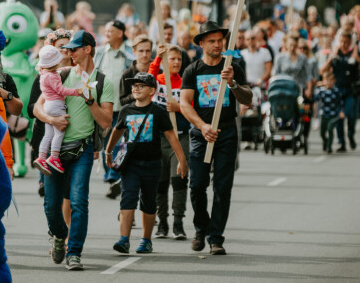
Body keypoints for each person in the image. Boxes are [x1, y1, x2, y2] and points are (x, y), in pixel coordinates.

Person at [34, 29, 113, 271]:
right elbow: (37, 109)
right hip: (54, 153)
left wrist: (90, 100)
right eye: (67, 49)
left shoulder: (103, 81)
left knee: (79, 202)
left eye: (74, 49)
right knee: (51, 205)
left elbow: (106, 122)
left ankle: (74, 252)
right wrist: (52, 120)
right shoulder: (61, 74)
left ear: (87, 49)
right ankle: (59, 236)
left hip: (82, 150)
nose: (69, 53)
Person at [179, 21, 252, 255]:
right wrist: (202, 126)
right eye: (212, 41)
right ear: (201, 44)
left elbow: (247, 99)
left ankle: (215, 237)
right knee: (198, 184)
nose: (218, 44)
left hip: (227, 132)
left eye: (220, 40)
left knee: (222, 187)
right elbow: (184, 104)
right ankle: (201, 227)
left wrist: (232, 83)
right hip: (201, 135)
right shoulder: (193, 70)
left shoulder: (233, 67)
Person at [105, 72, 187, 254]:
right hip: (131, 164)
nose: (136, 88)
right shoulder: (126, 110)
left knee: (149, 202)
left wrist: (182, 159)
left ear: (152, 90)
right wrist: (108, 151)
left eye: (141, 85)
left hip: (152, 164)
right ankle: (124, 239)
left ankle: (146, 240)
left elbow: (171, 136)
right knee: (128, 198)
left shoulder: (158, 112)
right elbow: (116, 131)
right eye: (134, 85)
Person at [148, 44, 190, 240]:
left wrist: (179, 107)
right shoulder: (157, 82)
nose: (175, 62)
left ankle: (178, 222)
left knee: (179, 179)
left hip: (180, 136)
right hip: (159, 138)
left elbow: (192, 107)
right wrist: (157, 58)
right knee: (160, 183)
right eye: (172, 58)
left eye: (179, 59)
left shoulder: (184, 83)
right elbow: (149, 77)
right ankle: (162, 222)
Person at [28, 28, 72, 198]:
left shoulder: (79, 74)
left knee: (69, 194)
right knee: (51, 195)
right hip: (47, 135)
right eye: (61, 46)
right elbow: (31, 109)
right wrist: (51, 119)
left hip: (72, 138)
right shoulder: (44, 76)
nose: (66, 50)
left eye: (70, 46)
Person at [94, 20, 135, 195]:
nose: (107, 33)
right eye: (107, 30)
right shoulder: (100, 53)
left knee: (119, 142)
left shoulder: (129, 53)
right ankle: (110, 171)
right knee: (105, 141)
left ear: (121, 33)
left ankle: (114, 173)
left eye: (112, 30)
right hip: (104, 105)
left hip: (123, 105)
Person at [33, 45, 83, 175]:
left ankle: (41, 157)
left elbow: (59, 70)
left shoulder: (44, 73)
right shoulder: (53, 76)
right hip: (56, 105)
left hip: (48, 105)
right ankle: (54, 157)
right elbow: (61, 90)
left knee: (48, 134)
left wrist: (68, 68)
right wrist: (77, 92)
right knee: (59, 132)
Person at [321, 30, 360, 151]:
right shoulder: (335, 54)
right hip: (337, 90)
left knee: (350, 115)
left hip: (351, 89)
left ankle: (350, 135)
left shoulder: (355, 53)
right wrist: (330, 58)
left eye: (346, 42)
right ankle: (341, 142)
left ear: (350, 42)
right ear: (339, 41)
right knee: (339, 117)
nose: (344, 44)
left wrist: (358, 60)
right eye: (342, 41)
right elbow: (322, 71)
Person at [272, 34, 313, 98]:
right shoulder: (280, 57)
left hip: (299, 89)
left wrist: (309, 89)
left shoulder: (303, 58)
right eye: (291, 45)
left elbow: (308, 75)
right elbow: (274, 74)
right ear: (286, 45)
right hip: (284, 88)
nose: (292, 48)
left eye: (294, 45)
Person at [119, 35, 153, 107]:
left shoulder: (159, 72)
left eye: (147, 51)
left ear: (151, 51)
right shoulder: (127, 75)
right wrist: (136, 94)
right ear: (134, 51)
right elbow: (122, 101)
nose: (144, 54)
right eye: (141, 51)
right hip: (134, 114)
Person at [315, 71, 344, 154]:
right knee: (322, 133)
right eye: (327, 80)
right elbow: (315, 100)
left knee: (330, 129)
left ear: (334, 81)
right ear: (324, 81)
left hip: (333, 115)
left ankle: (329, 147)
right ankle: (326, 141)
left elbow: (340, 103)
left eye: (330, 80)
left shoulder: (336, 91)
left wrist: (341, 111)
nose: (329, 82)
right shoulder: (321, 91)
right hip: (324, 114)